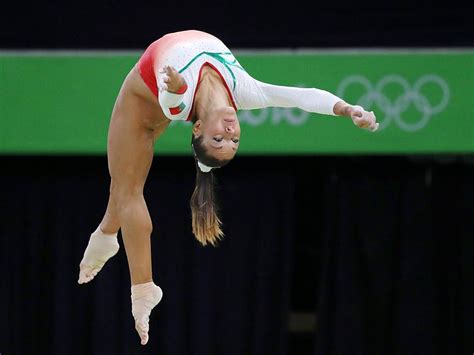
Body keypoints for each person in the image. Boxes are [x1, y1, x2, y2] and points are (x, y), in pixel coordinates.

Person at [77, 29, 379, 345]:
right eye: (234, 141)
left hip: (142, 101)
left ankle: (142, 289)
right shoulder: (243, 91)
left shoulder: (178, 108)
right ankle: (107, 235)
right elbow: (301, 97)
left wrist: (178, 87)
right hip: (164, 90)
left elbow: (173, 99)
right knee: (124, 184)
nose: (230, 132)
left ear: (197, 128)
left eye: (219, 139)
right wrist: (347, 109)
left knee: (127, 191)